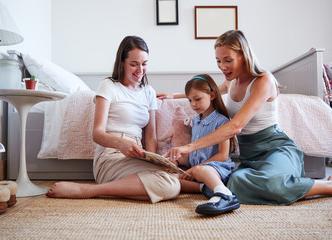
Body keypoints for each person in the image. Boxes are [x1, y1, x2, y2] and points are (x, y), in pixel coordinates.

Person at [160, 30, 332, 212]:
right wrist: (174, 95)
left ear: (244, 56)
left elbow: (236, 126)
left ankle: (326, 186)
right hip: (250, 156)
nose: (222, 67)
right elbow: (208, 92)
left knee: (272, 183)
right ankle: (285, 183)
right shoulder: (230, 83)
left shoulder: (263, 81)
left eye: (228, 60)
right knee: (234, 182)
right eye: (218, 61)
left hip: (275, 149)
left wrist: (188, 147)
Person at [46, 36, 180, 203]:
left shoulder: (149, 92)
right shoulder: (109, 86)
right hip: (111, 154)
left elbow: (150, 136)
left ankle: (207, 186)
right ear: (122, 63)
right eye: (134, 64)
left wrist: (154, 161)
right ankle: (87, 190)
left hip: (138, 154)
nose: (140, 69)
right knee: (170, 184)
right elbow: (97, 133)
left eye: (144, 64)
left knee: (171, 178)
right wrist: (120, 143)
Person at [174, 74, 240, 216]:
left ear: (211, 96)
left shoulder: (221, 121)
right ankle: (207, 188)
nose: (193, 104)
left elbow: (222, 156)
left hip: (216, 169)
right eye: (190, 100)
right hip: (196, 171)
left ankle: (225, 195)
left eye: (197, 99)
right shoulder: (195, 120)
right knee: (171, 179)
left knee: (200, 171)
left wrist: (195, 169)